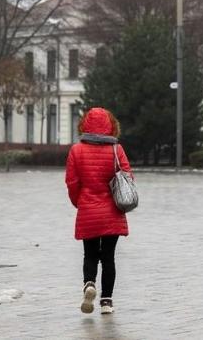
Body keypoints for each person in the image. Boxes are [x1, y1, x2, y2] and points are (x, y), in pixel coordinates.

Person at [65, 107, 132, 315]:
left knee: (90, 254)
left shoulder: (76, 150)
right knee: (109, 257)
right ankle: (106, 302)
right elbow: (128, 177)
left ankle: (89, 284)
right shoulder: (116, 150)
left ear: (84, 125)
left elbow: (72, 182)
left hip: (88, 211)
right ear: (111, 126)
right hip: (112, 212)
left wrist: (80, 203)